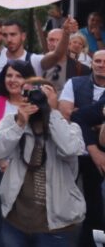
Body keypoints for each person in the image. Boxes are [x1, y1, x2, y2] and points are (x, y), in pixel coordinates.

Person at [0, 77, 86, 245]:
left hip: (57, 225)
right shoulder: (12, 122)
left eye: (43, 94)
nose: (36, 98)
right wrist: (19, 123)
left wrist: (53, 112)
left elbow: (70, 148)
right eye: (30, 93)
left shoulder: (70, 127)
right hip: (16, 220)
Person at [0, 60, 37, 247]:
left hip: (29, 176)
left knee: (23, 224)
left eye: (18, 76)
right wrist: (2, 163)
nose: (12, 80)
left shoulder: (36, 105)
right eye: (9, 75)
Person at [59, 49, 105, 247]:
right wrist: (94, 146)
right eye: (98, 61)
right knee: (62, 200)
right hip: (76, 153)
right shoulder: (75, 83)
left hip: (99, 159)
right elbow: (68, 115)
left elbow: (78, 115)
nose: (102, 64)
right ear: (91, 63)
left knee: (95, 207)